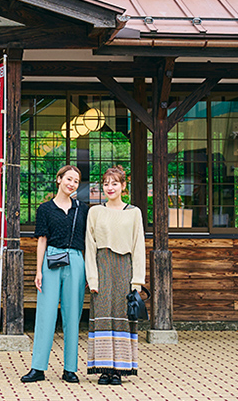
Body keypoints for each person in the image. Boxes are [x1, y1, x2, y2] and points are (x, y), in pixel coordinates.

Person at [21, 164, 88, 384]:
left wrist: (89, 270)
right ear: (58, 180)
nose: (71, 184)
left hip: (76, 261)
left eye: (76, 181)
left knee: (72, 315)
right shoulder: (45, 209)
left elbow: (89, 241)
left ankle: (70, 368)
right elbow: (41, 240)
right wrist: (38, 270)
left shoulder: (83, 209)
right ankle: (38, 367)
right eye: (68, 179)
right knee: (45, 315)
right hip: (51, 260)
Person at [84, 165, 146, 385]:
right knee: (102, 316)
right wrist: (92, 278)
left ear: (123, 186)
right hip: (102, 266)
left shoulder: (134, 212)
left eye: (114, 183)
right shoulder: (95, 211)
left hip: (125, 267)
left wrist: (137, 281)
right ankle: (103, 368)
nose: (110, 187)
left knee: (121, 316)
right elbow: (89, 247)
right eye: (106, 183)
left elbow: (139, 247)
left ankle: (119, 369)